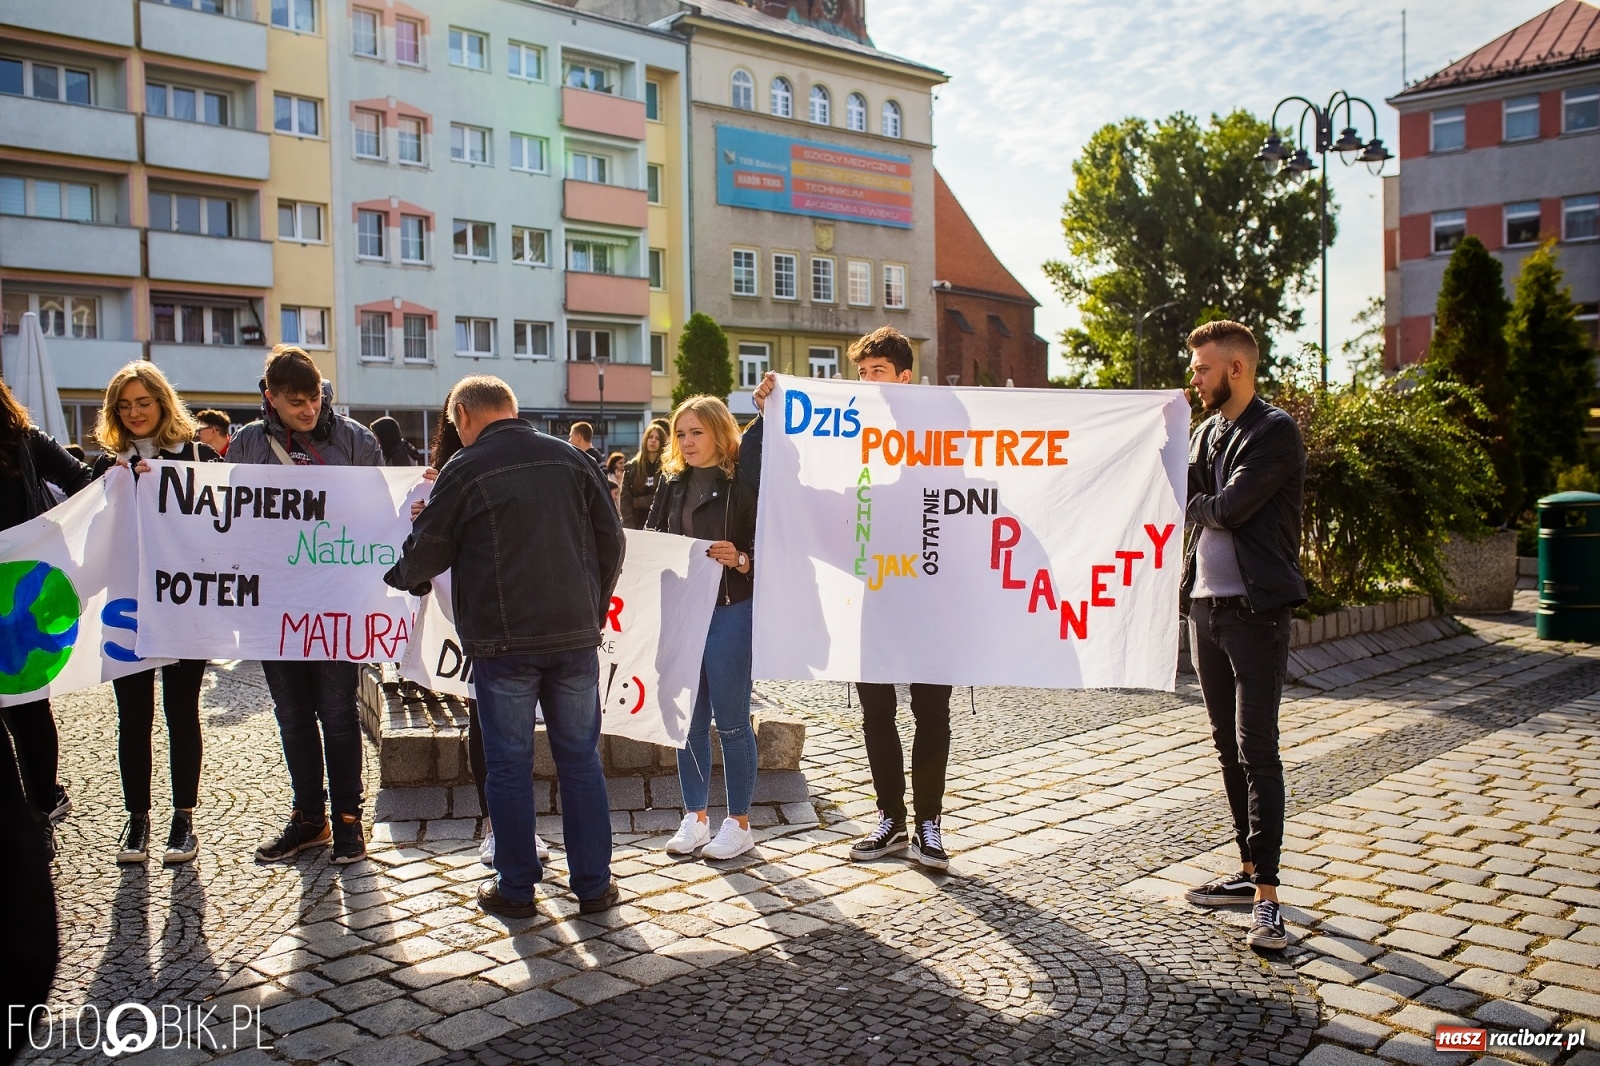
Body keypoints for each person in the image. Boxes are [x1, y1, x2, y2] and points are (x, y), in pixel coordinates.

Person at [386, 376, 624, 919]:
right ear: (511, 409)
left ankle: (516, 889)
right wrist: (591, 608)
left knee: (509, 766)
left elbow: (429, 549)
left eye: (455, 425)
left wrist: (398, 575)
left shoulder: (465, 468)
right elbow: (613, 540)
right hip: (574, 638)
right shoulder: (572, 459)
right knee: (581, 761)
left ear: (465, 416)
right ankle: (594, 885)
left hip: (503, 643)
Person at [1177, 320, 1306, 953]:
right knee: (1227, 750)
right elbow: (1195, 494)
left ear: (1235, 369)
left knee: (1259, 750)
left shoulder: (1275, 431)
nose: (1194, 378)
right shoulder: (1205, 431)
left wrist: (1199, 499)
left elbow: (1225, 507)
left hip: (1257, 613)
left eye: (1202, 368)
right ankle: (1248, 870)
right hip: (1207, 611)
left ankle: (1269, 901)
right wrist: (1199, 495)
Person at [807, 327, 956, 872]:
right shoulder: (848, 435)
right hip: (874, 591)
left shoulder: (939, 430)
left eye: (878, 372)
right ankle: (890, 819)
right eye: (862, 372)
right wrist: (769, 410)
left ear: (904, 378)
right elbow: (807, 475)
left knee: (931, 712)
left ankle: (930, 824)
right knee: (876, 712)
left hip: (931, 595)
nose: (868, 381)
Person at [231, 346, 383, 864]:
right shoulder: (247, 445)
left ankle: (348, 822)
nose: (308, 409)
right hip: (275, 605)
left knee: (339, 714)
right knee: (292, 715)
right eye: (295, 401)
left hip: (334, 603)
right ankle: (308, 818)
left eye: (315, 397)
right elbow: (232, 517)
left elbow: (379, 518)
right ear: (269, 397)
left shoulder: (356, 442)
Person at [91, 362, 219, 865]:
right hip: (129, 609)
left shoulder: (198, 457)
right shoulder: (108, 466)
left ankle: (183, 819)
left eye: (143, 402)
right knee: (133, 717)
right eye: (124, 405)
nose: (134, 412)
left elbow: (223, 526)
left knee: (182, 713)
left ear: (163, 403)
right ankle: (136, 820)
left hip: (184, 603)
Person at [418, 406, 551, 872]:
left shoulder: (526, 458)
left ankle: (520, 829)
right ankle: (497, 827)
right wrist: (425, 517)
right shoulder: (447, 474)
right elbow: (428, 553)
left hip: (523, 609)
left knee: (517, 731)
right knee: (486, 724)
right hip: (478, 618)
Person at [647, 395, 764, 861]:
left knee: (733, 723)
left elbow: (765, 546)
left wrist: (739, 558)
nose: (687, 442)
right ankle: (695, 818)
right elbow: (652, 539)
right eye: (681, 433)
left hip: (731, 610)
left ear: (719, 432)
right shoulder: (671, 482)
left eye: (696, 432)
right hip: (683, 613)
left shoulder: (743, 483)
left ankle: (739, 823)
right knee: (688, 723)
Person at [0, 378, 92, 856]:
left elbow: (82, 478)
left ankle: (40, 810)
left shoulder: (26, 441)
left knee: (27, 707)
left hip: (20, 602)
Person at [618, 421, 666, 530]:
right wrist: (629, 526)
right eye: (650, 437)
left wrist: (639, 501)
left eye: (657, 438)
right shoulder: (632, 467)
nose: (653, 440)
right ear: (645, 440)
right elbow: (625, 500)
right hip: (635, 522)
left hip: (658, 524)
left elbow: (662, 498)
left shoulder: (666, 468)